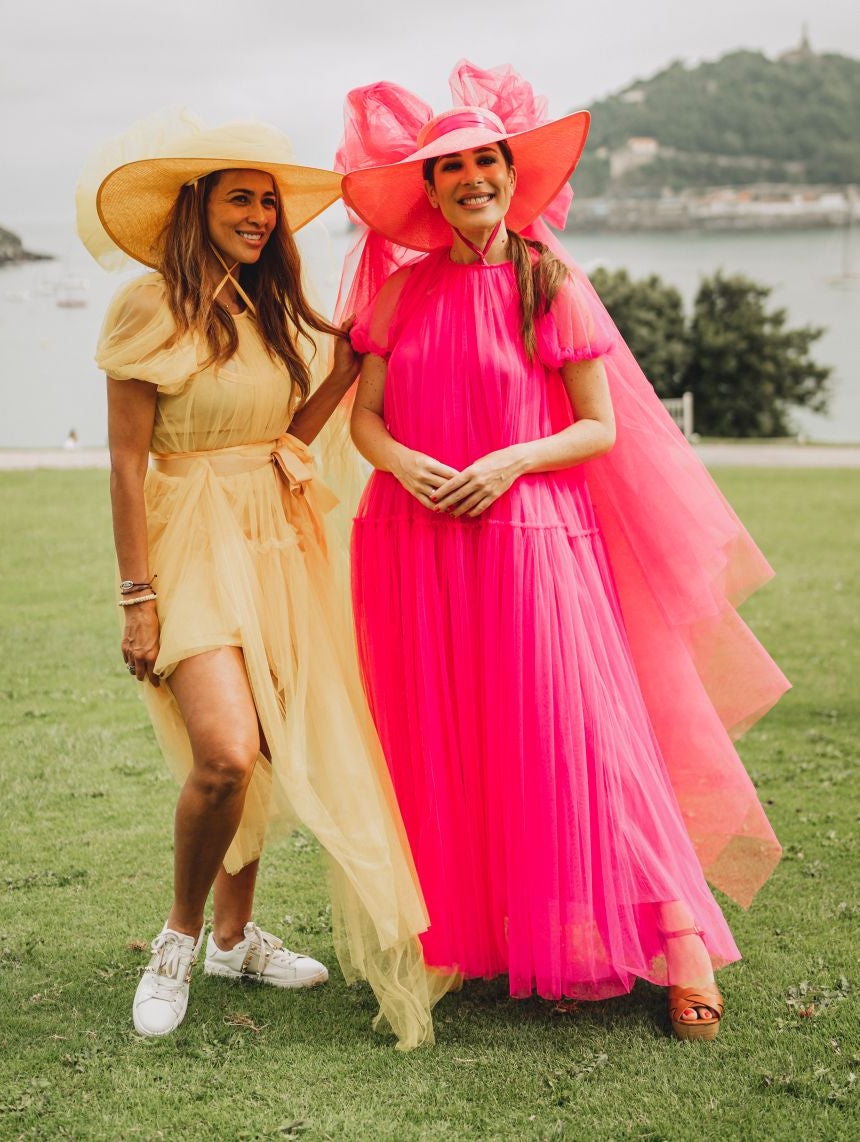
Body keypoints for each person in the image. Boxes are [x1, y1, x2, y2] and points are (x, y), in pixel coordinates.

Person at [335, 63, 789, 1042]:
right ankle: (480, 934)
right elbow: (363, 419)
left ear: (511, 172)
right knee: (457, 736)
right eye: (450, 167)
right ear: (432, 187)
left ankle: (680, 946)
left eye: (485, 161)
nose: (470, 179)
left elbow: (597, 428)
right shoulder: (403, 294)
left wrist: (506, 463)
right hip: (419, 541)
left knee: (584, 736)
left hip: (535, 539)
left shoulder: (551, 279)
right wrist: (407, 467)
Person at [75, 113, 437, 1047]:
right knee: (227, 751)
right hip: (188, 536)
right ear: (197, 207)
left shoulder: (272, 304)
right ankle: (179, 938)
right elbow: (123, 465)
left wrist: (356, 354)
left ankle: (235, 939)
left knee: (266, 751)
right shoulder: (146, 306)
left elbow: (292, 431)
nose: (263, 215)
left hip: (276, 534)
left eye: (270, 202)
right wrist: (136, 597)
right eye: (243, 197)